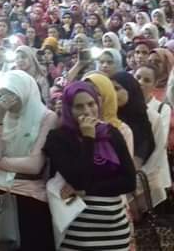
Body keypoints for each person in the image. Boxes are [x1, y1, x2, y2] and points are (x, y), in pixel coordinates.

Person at [43, 82, 135, 251]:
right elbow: (78, 180)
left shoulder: (111, 133)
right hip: (78, 231)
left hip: (114, 228)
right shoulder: (58, 138)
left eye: (91, 104)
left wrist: (87, 190)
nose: (87, 111)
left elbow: (129, 182)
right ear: (68, 109)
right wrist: (88, 139)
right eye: (79, 106)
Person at [0, 70, 57, 251]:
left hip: (29, 191)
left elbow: (34, 166)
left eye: (12, 94)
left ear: (25, 92)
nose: (6, 100)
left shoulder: (46, 117)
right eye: (2, 94)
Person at [133, 64, 173, 210]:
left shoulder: (162, 108)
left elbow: (159, 146)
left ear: (155, 84)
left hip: (153, 175)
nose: (140, 82)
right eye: (138, 77)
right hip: (132, 177)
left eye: (147, 80)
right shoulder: (127, 107)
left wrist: (139, 176)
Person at [83, 72, 135, 156]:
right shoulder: (72, 124)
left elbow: (126, 162)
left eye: (97, 94)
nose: (90, 97)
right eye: (86, 92)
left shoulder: (122, 130)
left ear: (107, 97)